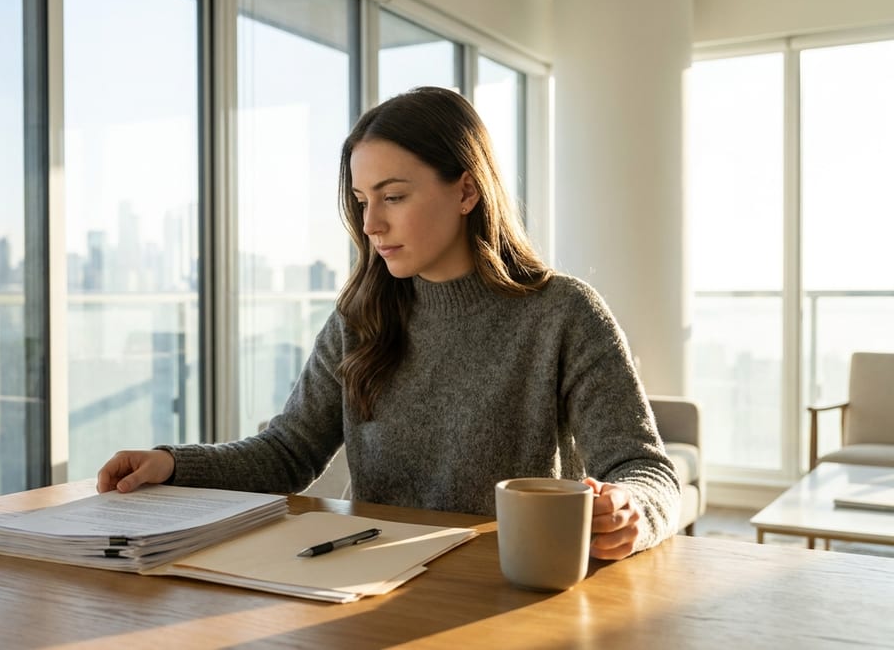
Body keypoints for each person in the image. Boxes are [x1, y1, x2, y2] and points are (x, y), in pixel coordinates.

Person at [98, 86, 680, 561]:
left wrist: (631, 508)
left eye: (394, 196)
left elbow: (646, 469)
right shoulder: (361, 316)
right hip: (365, 575)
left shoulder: (563, 313)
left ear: (467, 190)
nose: (371, 223)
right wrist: (174, 464)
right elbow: (287, 453)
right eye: (360, 199)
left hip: (505, 588)